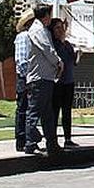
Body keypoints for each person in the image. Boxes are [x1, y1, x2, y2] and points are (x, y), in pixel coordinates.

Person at [25, 12, 63, 155]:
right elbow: (47, 49)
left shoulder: (42, 30)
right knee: (34, 112)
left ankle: (51, 144)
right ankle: (31, 143)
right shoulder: (38, 30)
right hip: (39, 78)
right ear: (45, 16)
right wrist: (58, 62)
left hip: (46, 77)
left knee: (48, 114)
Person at [50, 19, 80, 148]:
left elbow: (74, 61)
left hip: (69, 81)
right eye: (57, 28)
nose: (61, 30)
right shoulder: (52, 44)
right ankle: (53, 139)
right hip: (57, 82)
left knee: (67, 111)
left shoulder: (67, 44)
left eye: (62, 27)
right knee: (55, 111)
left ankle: (68, 139)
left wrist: (78, 54)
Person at [13, 8, 36, 152]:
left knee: (29, 110)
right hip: (25, 78)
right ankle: (21, 139)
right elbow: (22, 61)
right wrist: (29, 77)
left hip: (30, 77)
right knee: (23, 109)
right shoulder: (24, 36)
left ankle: (29, 138)